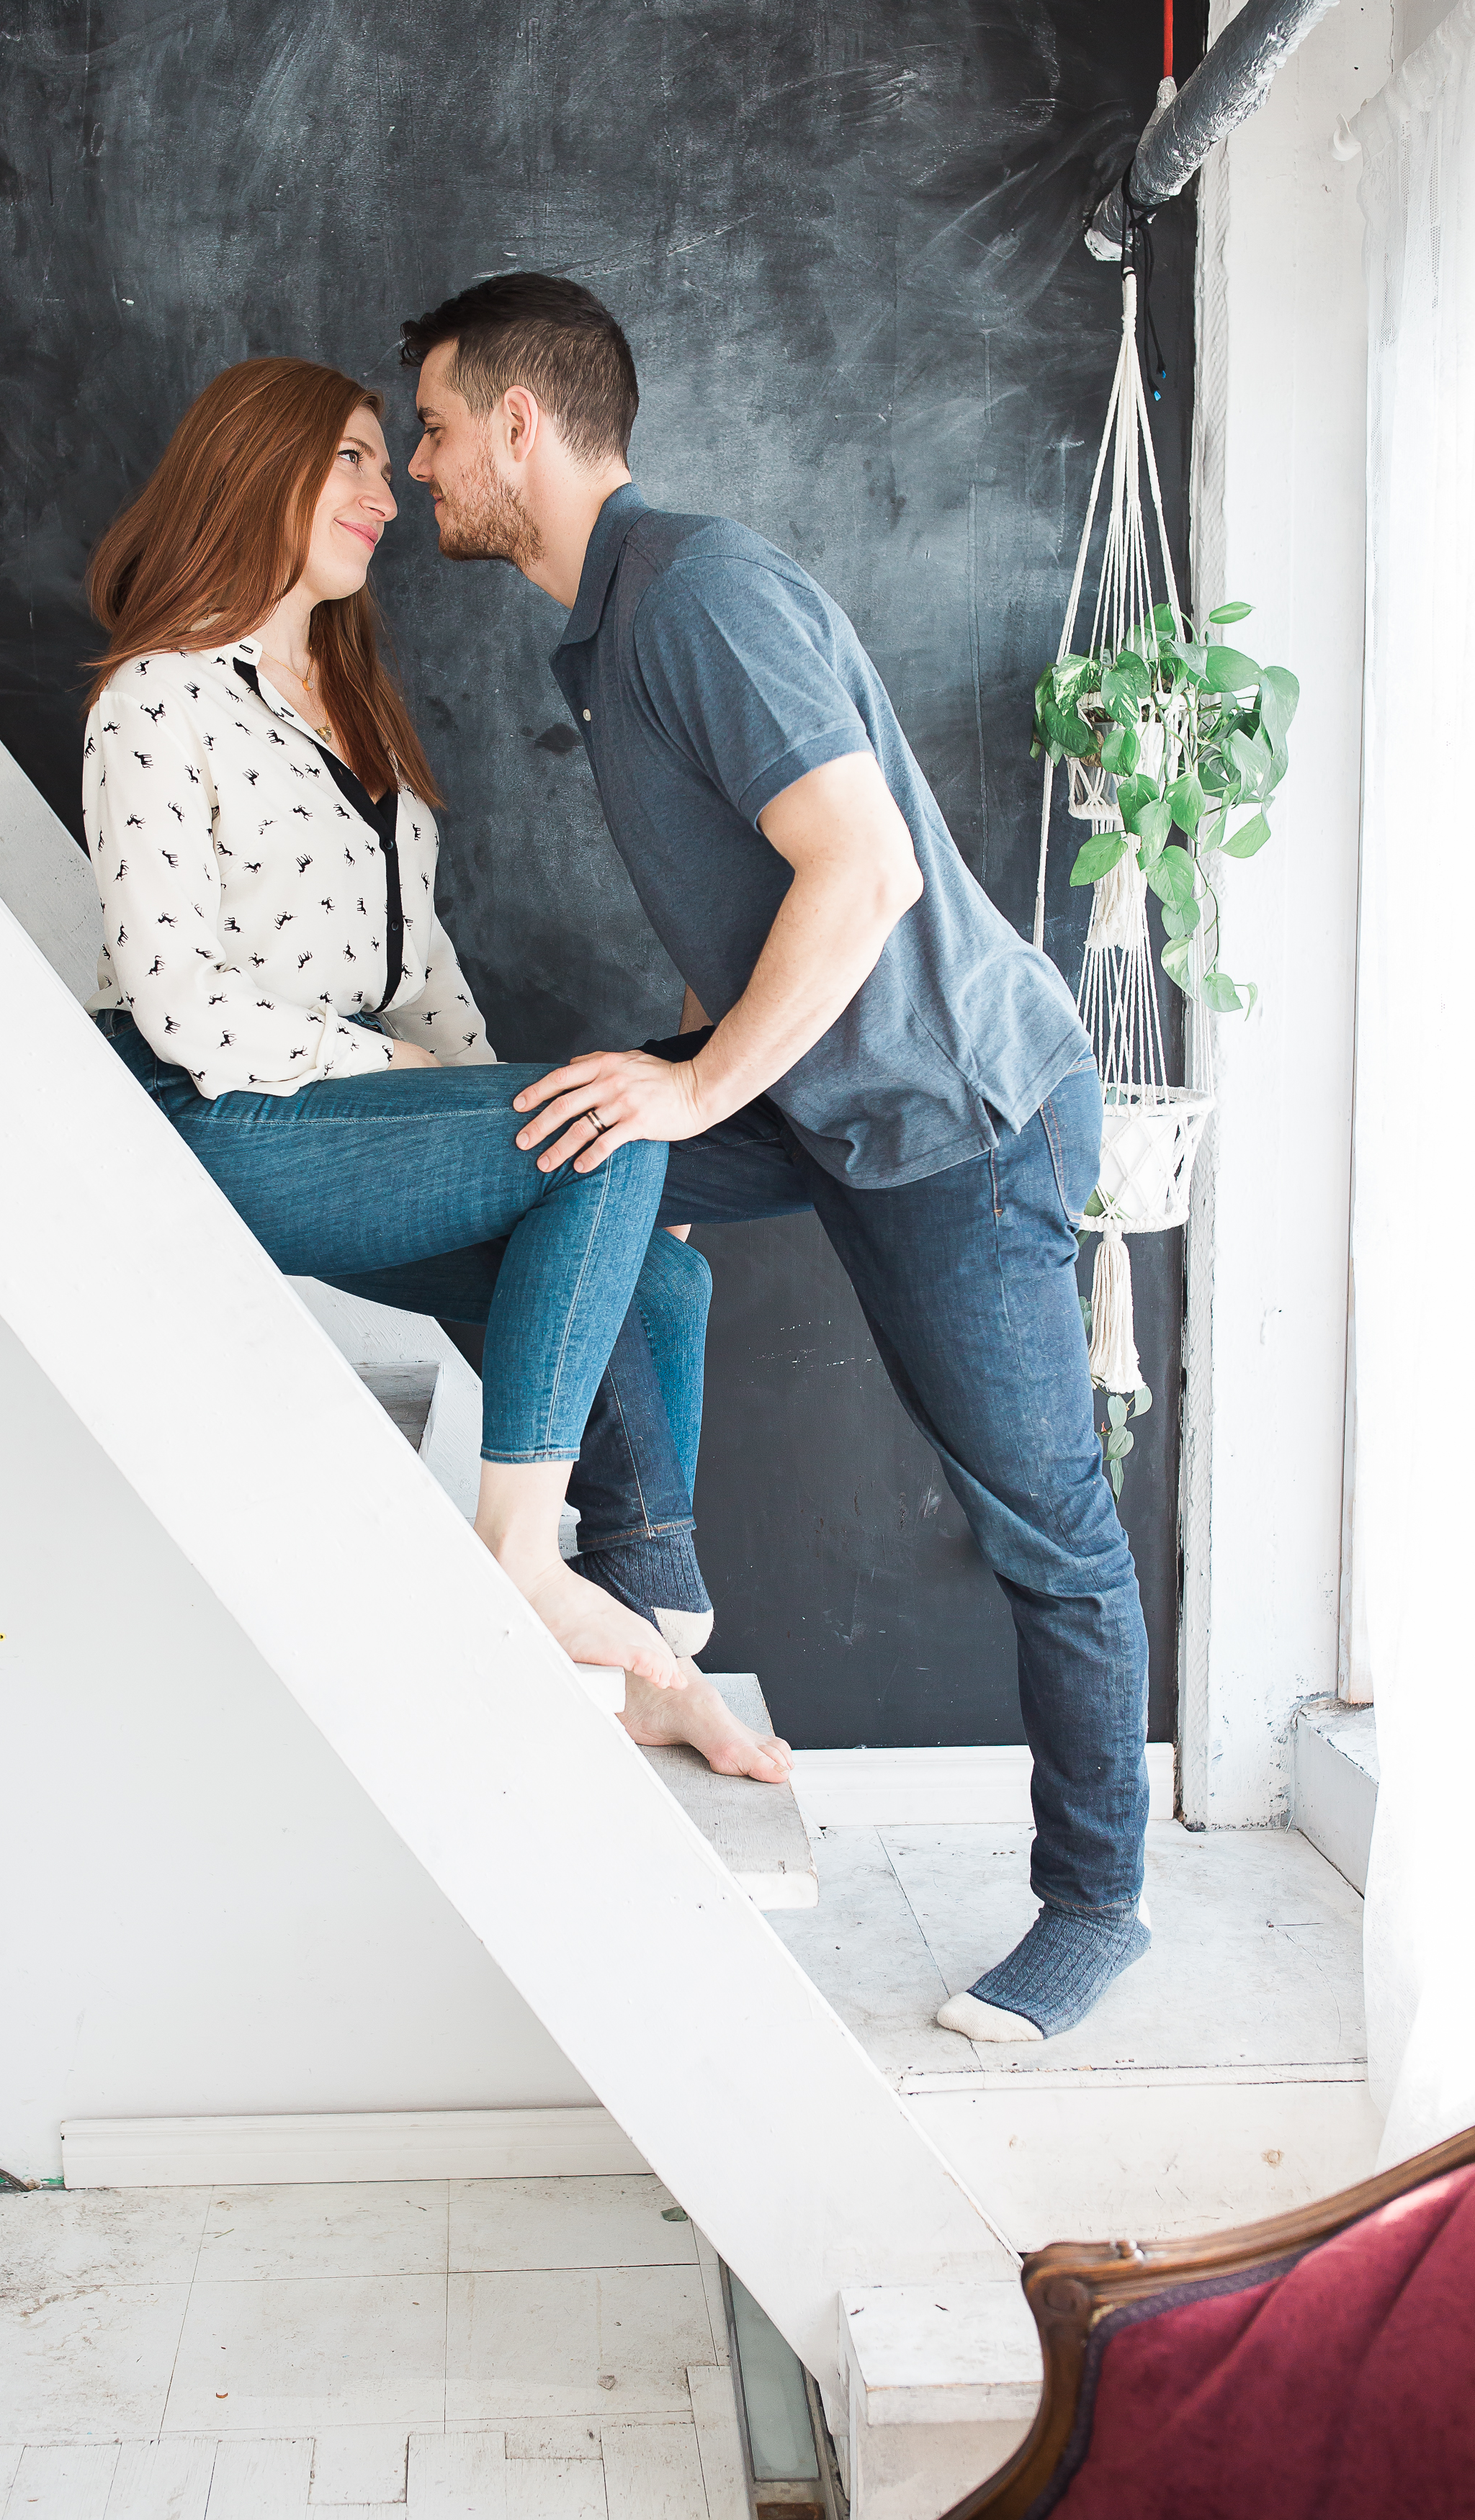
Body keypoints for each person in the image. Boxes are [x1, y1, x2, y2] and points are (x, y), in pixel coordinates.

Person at [400, 274, 1152, 2043]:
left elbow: (865, 871)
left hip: (955, 1125)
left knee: (1048, 1530)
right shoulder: (606, 635)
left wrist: (696, 1086)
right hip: (817, 1094)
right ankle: (647, 1557)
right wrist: (684, 1068)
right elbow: (746, 886)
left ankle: (1098, 1906)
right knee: (555, 1147)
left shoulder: (698, 596)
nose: (420, 466)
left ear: (521, 425)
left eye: (432, 428)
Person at [78, 352, 751, 1721]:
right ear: (249, 466)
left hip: (353, 1116)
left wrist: (486, 1110)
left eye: (392, 458)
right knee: (608, 1118)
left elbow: (419, 973)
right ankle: (522, 1556)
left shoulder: (355, 702)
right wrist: (444, 1091)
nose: (388, 491)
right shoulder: (155, 698)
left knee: (657, 1270)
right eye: (351, 459)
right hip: (215, 1120)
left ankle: (650, 1620)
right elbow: (179, 999)